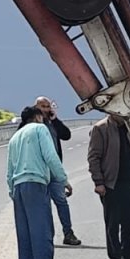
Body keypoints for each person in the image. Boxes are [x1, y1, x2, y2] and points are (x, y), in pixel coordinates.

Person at [7, 106, 69, 259]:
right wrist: (63, 179)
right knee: (42, 234)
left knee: (24, 237)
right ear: (37, 117)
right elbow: (51, 156)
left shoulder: (15, 137)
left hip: (18, 187)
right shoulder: (40, 129)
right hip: (36, 183)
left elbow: (9, 169)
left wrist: (12, 190)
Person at [87, 113, 130, 259]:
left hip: (129, 182)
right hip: (110, 184)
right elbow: (94, 157)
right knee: (113, 225)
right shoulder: (101, 128)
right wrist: (98, 182)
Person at [34, 96, 80, 246]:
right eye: (43, 106)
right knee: (43, 205)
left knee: (61, 202)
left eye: (48, 106)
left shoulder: (52, 124)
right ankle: (47, 235)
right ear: (36, 107)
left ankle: (68, 233)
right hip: (39, 172)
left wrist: (55, 120)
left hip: (54, 170)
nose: (46, 109)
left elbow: (66, 135)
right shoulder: (32, 125)